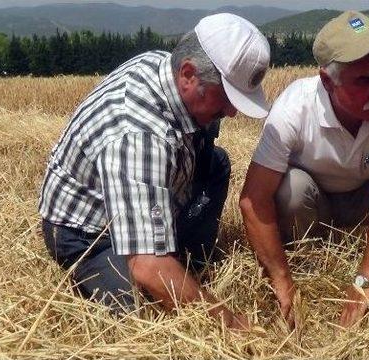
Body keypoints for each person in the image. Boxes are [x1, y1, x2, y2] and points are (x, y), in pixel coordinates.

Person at [38, 13, 270, 330]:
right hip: (91, 232)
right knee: (141, 317)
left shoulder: (166, 66)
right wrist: (231, 325)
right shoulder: (138, 135)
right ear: (188, 74)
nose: (232, 111)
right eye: (227, 97)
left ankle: (188, 265)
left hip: (154, 187)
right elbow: (148, 265)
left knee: (216, 163)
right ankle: (151, 270)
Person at [239, 11, 369, 329]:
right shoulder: (294, 108)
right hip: (315, 207)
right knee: (291, 187)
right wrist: (282, 281)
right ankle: (309, 271)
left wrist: (365, 282)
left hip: (368, 202)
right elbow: (253, 200)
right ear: (327, 81)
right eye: (365, 81)